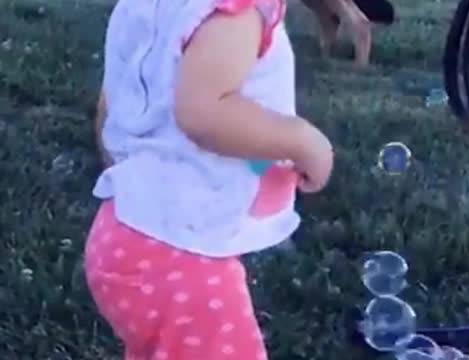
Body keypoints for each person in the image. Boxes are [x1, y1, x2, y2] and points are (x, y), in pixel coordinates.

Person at [83, 0, 334, 358]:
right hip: (179, 256)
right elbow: (204, 112)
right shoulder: (235, 8)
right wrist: (305, 142)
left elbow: (109, 109)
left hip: (127, 231)